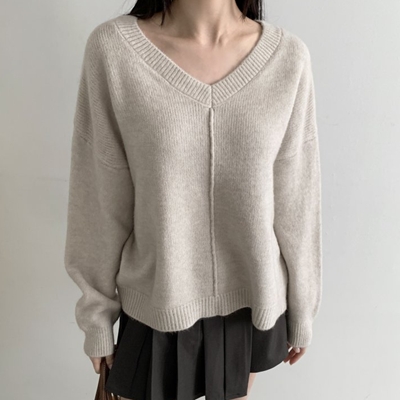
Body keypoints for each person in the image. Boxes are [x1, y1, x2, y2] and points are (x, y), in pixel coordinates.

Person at [64, 0, 322, 399]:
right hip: (156, 302)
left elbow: (297, 200)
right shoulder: (114, 50)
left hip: (252, 305)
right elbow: (99, 197)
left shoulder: (288, 58)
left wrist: (303, 307)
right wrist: (96, 315)